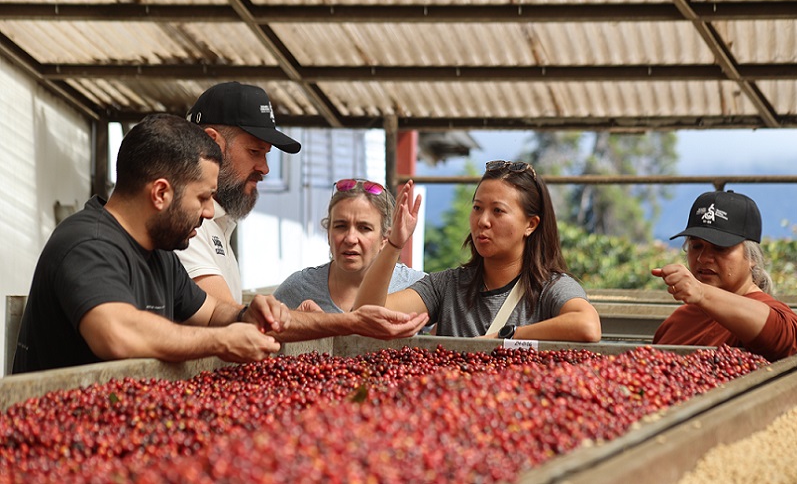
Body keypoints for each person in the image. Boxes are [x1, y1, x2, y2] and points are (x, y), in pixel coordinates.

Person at [12, 114, 290, 374]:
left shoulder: (160, 253)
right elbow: (117, 334)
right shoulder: (87, 244)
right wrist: (220, 341)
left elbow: (211, 312)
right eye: (203, 198)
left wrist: (245, 315)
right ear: (160, 193)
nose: (208, 212)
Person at [178, 82, 429, 341]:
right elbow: (226, 317)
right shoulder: (186, 226)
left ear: (384, 236)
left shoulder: (217, 224)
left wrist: (299, 319)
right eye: (254, 151)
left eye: (364, 228)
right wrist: (341, 322)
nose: (264, 168)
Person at [353, 161, 602, 342]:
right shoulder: (447, 286)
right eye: (477, 208)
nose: (483, 221)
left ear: (531, 224)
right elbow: (366, 315)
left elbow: (587, 326)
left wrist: (506, 337)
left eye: (498, 211)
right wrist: (394, 245)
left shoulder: (550, 288)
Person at [652, 190, 797, 361]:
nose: (703, 258)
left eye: (720, 248)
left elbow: (792, 341)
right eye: (696, 246)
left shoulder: (766, 310)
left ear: (752, 258)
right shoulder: (678, 321)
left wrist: (702, 293)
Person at [273, 178, 426, 313]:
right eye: (341, 226)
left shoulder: (414, 286)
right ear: (328, 233)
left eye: (364, 228)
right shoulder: (299, 288)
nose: (350, 239)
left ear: (385, 238)